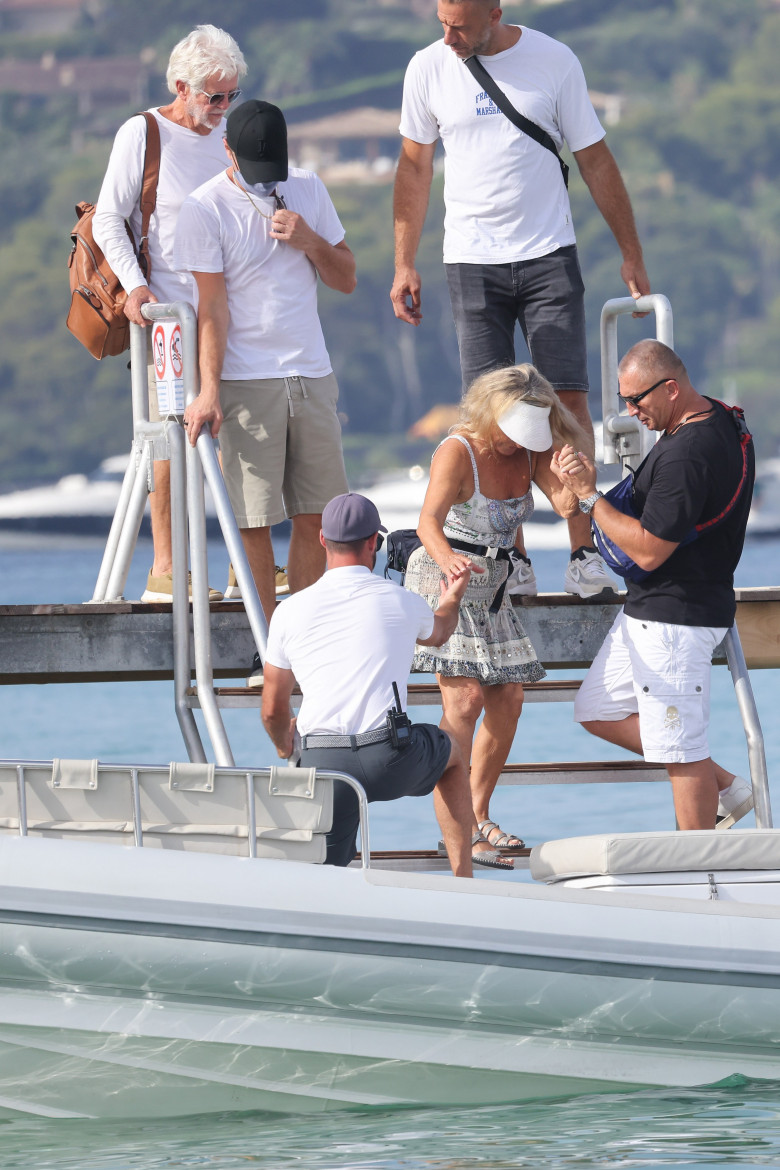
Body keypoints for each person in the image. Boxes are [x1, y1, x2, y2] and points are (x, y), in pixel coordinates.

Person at [391, 0, 651, 599]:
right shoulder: (427, 68)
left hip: (548, 255)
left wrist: (630, 250)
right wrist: (404, 261)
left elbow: (595, 160)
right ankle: (513, 558)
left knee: (568, 405)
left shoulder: (554, 60)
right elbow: (413, 167)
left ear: (495, 12)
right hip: (471, 262)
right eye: (442, 22)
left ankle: (584, 551)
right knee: (491, 424)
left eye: (460, 24)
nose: (449, 35)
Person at [551, 339, 755, 831]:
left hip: (675, 619)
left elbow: (647, 549)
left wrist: (588, 497)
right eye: (624, 400)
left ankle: (696, 870)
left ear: (671, 387)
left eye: (636, 400)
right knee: (596, 707)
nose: (630, 411)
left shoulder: (687, 454)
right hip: (655, 610)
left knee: (681, 751)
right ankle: (727, 787)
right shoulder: (720, 418)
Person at [174, 99, 355, 631]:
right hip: (244, 378)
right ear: (226, 149)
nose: (264, 180)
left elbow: (345, 277)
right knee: (254, 519)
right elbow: (211, 307)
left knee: (319, 514)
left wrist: (309, 240)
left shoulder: (309, 187)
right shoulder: (203, 208)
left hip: (311, 372)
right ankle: (267, 640)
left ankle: (301, 637)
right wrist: (208, 391)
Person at [404, 364, 585, 867]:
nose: (515, 445)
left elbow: (570, 507)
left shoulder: (529, 451)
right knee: (463, 703)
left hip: (494, 585)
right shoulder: (458, 450)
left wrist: (576, 479)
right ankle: (459, 836)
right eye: (511, 433)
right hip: (446, 579)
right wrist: (449, 563)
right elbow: (427, 523)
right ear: (491, 414)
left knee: (508, 698)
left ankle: (477, 813)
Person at [93, 24, 248, 602]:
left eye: (231, 96)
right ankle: (165, 570)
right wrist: (135, 288)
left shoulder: (228, 135)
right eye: (213, 96)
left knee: (236, 435)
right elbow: (110, 217)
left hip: (229, 312)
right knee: (170, 440)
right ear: (181, 87)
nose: (222, 108)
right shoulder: (143, 131)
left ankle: (242, 565)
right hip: (169, 316)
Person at [261, 492, 475, 875]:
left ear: (323, 540)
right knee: (453, 754)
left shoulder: (289, 611)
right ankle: (463, 878)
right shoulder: (400, 600)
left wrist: (283, 745)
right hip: (389, 759)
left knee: (327, 868)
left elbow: (272, 710)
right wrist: (452, 597)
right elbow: (441, 631)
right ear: (374, 542)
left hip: (323, 762)